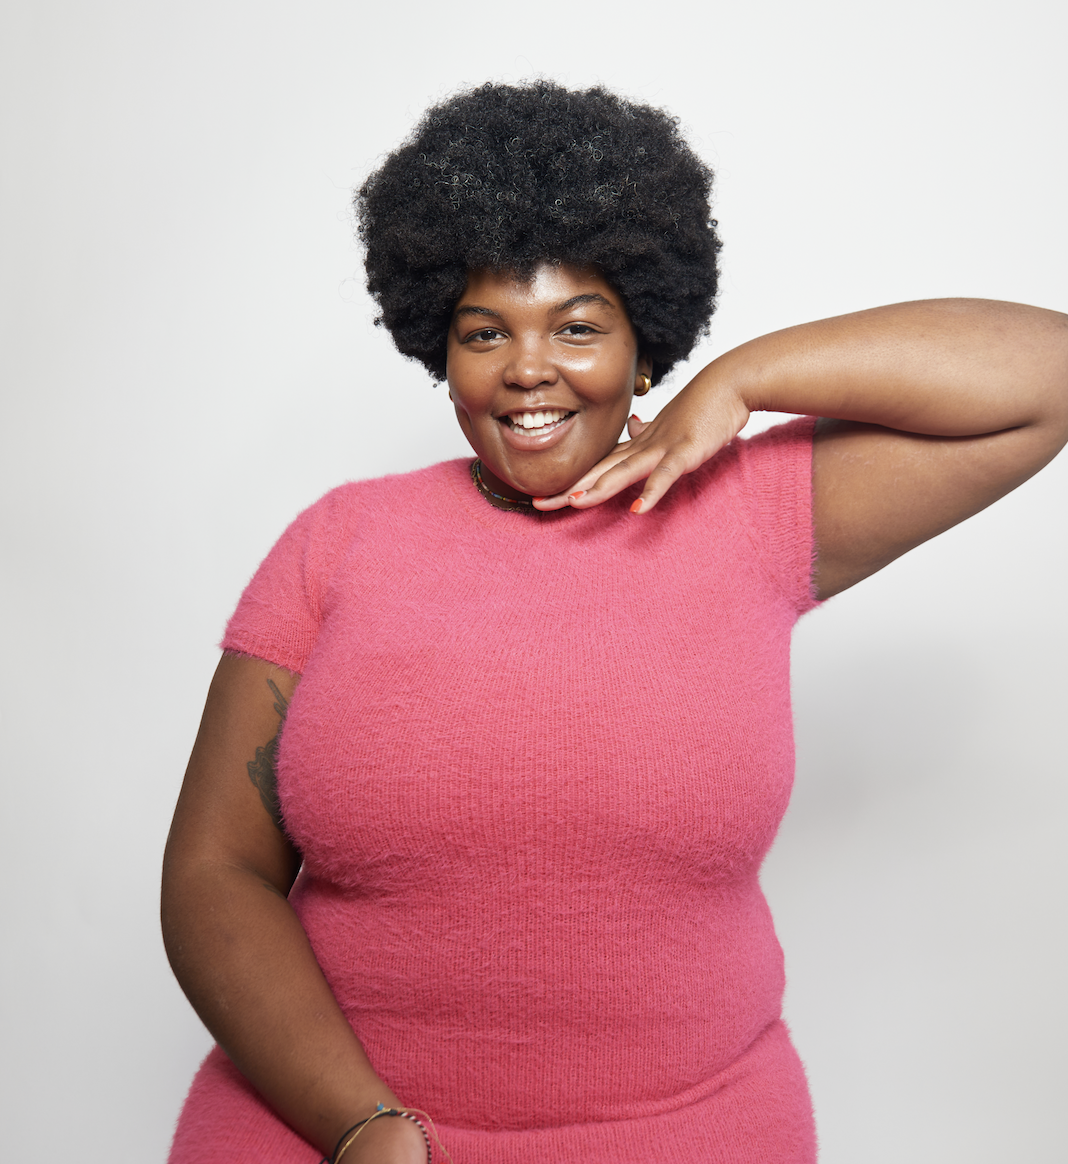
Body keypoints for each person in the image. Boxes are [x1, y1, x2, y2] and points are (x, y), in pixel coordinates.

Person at [161, 81, 1068, 1164]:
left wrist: (743, 379)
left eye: (578, 326)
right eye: (484, 331)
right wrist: (361, 1126)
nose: (528, 368)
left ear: (646, 344)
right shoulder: (340, 541)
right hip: (323, 1130)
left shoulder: (754, 515)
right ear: (438, 352)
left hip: (687, 1135)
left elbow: (1045, 373)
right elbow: (215, 872)